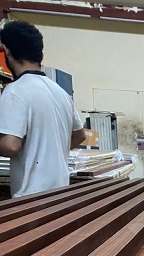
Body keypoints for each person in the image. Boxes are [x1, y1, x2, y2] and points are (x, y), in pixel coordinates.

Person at [0, 20, 85, 198]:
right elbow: (79, 135)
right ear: (41, 54)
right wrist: (51, 153)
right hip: (59, 194)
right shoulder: (60, 92)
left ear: (6, 50)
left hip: (31, 199)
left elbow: (10, 145)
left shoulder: (15, 91)